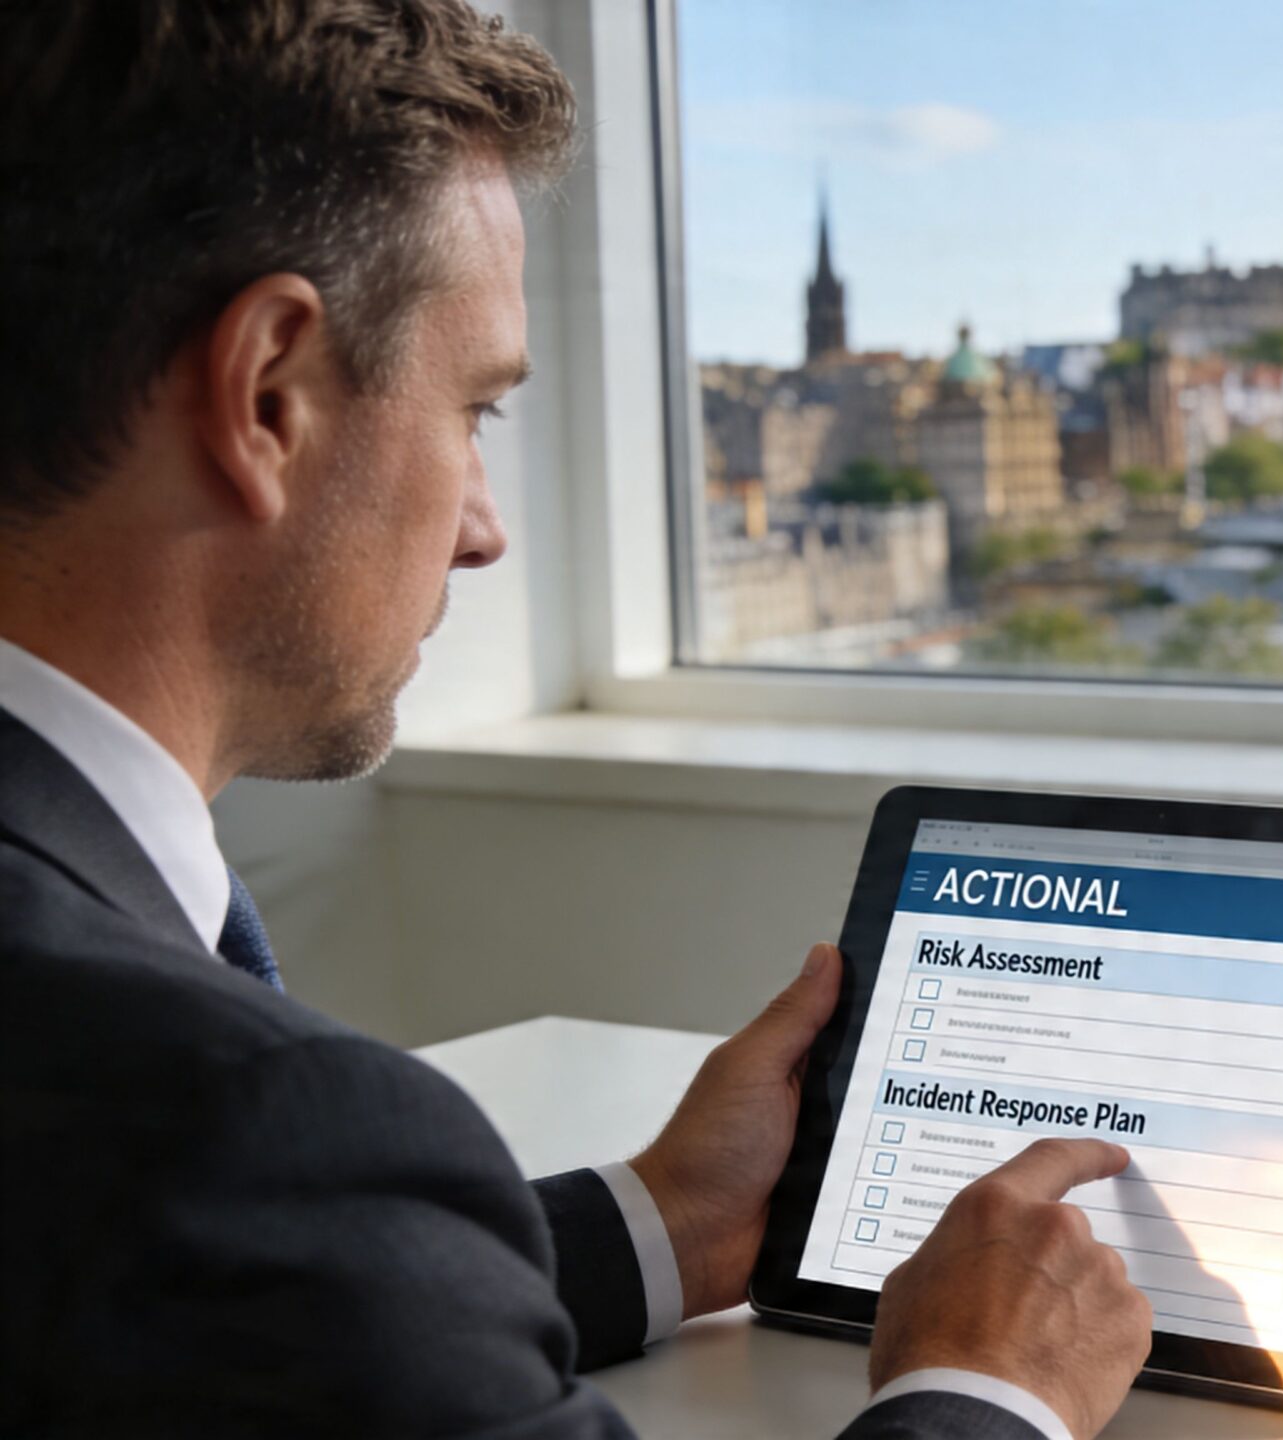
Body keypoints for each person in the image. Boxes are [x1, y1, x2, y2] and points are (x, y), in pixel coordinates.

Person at [0, 3, 1152, 1437]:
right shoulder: (246, 1133)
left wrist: (662, 1222)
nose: (485, 533)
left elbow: (169, 1307)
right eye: (476, 410)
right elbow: (213, 1222)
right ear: (269, 398)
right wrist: (988, 1390)